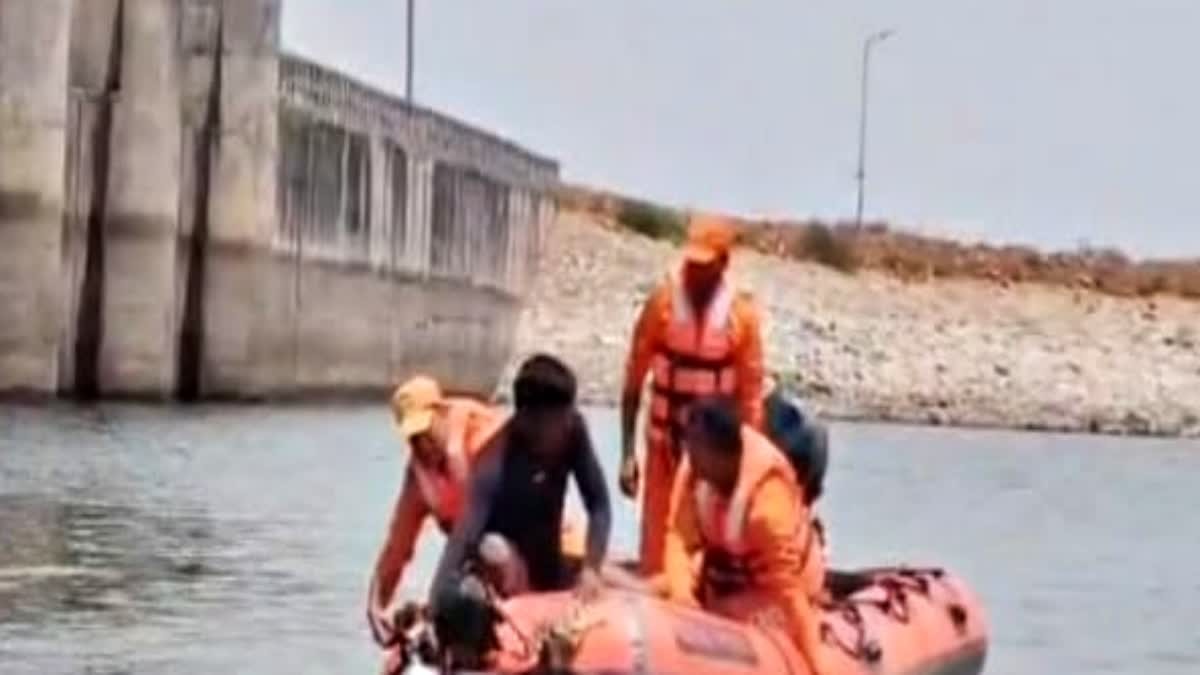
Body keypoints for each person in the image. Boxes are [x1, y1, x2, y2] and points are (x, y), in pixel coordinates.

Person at [619, 213, 767, 574]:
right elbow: (633, 381)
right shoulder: (662, 304)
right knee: (656, 550)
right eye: (692, 263)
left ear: (723, 264)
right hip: (665, 447)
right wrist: (627, 455)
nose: (695, 273)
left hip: (713, 459)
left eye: (705, 265)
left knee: (706, 547)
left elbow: (751, 399)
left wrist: (747, 471)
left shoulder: (741, 317)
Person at [428, 354, 612, 616]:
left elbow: (599, 504)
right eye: (558, 420)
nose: (567, 424)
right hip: (508, 572)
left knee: (621, 580)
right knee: (493, 548)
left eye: (568, 414)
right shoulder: (493, 465)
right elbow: (461, 542)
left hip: (549, 563)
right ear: (527, 419)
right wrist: (436, 603)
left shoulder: (573, 431)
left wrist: (592, 568)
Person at [660, 397, 827, 675]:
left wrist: (816, 667)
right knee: (663, 587)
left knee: (734, 614)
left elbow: (789, 592)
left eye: (694, 447)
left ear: (720, 454)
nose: (687, 454)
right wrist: (682, 598)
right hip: (723, 576)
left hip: (773, 587)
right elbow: (677, 536)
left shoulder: (766, 505)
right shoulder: (694, 471)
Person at [366, 375, 506, 646]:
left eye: (425, 432)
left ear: (442, 414)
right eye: (413, 437)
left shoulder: (482, 437)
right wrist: (376, 605)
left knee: (492, 548)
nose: (422, 445)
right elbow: (397, 549)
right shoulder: (418, 480)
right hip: (472, 559)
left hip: (518, 540)